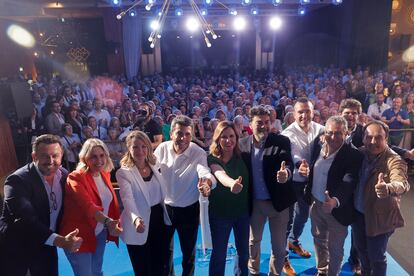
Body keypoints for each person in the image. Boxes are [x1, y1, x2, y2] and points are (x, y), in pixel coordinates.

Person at [0, 134, 82, 276]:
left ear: (61, 156)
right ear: (34, 156)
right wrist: (61, 241)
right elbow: (27, 220)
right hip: (18, 246)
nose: (50, 161)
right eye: (44, 156)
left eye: (55, 155)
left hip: (48, 244)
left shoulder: (64, 175)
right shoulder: (17, 181)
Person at [154, 115, 216, 276]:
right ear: (171, 133)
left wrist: (207, 184)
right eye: (179, 133)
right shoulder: (161, 149)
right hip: (165, 209)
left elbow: (205, 172)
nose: (183, 138)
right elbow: (150, 169)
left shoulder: (198, 152)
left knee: (188, 254)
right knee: (164, 253)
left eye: (188, 134)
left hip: (189, 210)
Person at [238, 105, 296, 276]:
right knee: (253, 242)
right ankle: (254, 272)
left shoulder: (281, 141)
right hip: (255, 204)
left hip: (278, 203)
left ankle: (274, 274)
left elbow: (288, 163)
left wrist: (286, 173)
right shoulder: (241, 145)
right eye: (259, 122)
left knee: (278, 248)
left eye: (267, 122)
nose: (263, 126)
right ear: (250, 124)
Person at [304, 116, 363, 276]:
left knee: (335, 248)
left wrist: (335, 201)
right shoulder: (318, 145)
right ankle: (322, 270)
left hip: (338, 210)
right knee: (318, 239)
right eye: (329, 132)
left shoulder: (353, 154)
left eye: (338, 133)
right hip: (316, 205)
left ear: (346, 133)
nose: (333, 137)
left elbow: (349, 181)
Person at [353, 120, 410, 276]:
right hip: (358, 214)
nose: (373, 141)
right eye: (369, 137)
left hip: (380, 219)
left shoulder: (394, 159)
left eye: (378, 137)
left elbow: (402, 182)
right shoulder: (360, 153)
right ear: (363, 138)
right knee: (361, 250)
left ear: (386, 139)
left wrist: (389, 188)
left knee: (377, 257)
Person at [59, 138, 122, 276]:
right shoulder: (75, 177)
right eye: (93, 156)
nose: (98, 160)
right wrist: (108, 222)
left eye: (101, 155)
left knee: (97, 272)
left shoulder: (104, 174)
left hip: (99, 233)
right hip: (78, 236)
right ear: (84, 158)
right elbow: (89, 207)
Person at [116, 130, 171, 275]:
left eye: (143, 146)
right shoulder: (123, 173)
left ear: (148, 147)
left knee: (160, 267)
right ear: (129, 149)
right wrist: (135, 219)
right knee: (143, 270)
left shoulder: (156, 165)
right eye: (135, 147)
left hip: (159, 222)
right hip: (138, 225)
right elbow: (127, 199)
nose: (140, 151)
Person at [281, 97, 324, 274]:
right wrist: (301, 166)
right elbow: (294, 154)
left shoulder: (322, 129)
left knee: (303, 216)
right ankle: (283, 257)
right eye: (301, 112)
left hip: (312, 182)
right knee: (287, 220)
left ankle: (294, 241)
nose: (304, 115)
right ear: (294, 114)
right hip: (292, 182)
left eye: (307, 111)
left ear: (313, 112)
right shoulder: (287, 134)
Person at [207, 121, 250, 276]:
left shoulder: (243, 157)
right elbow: (219, 174)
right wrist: (232, 184)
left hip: (243, 213)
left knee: (244, 253)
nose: (228, 140)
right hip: (220, 215)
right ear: (217, 139)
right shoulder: (212, 159)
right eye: (224, 137)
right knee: (219, 254)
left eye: (231, 136)